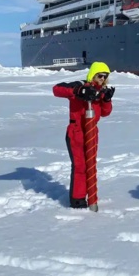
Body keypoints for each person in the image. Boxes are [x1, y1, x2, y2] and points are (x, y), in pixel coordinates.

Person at [52, 62, 115, 209]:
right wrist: (78, 91)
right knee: (80, 166)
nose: (102, 79)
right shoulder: (79, 86)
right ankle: (78, 199)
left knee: (91, 165)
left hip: (92, 131)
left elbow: (106, 113)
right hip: (77, 132)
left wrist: (106, 100)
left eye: (105, 77)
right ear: (93, 74)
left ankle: (91, 196)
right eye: (100, 75)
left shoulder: (101, 91)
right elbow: (57, 89)